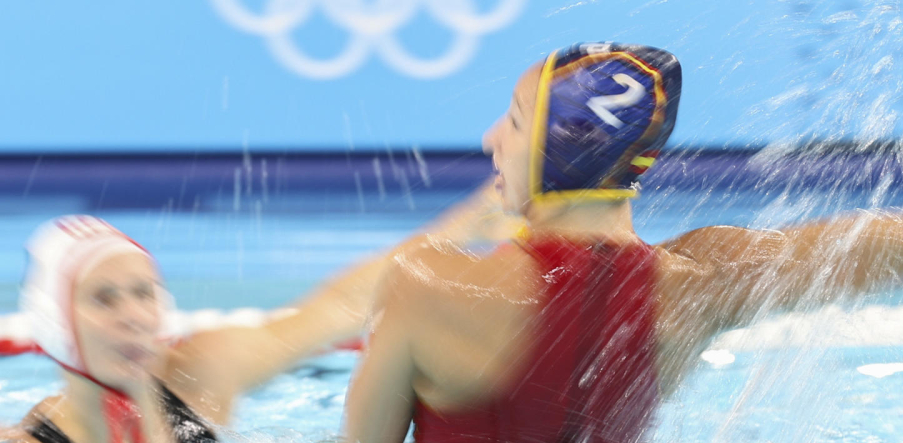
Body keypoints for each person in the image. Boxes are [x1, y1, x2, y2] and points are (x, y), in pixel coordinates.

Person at [342, 0, 903, 442]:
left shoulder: (425, 287)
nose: (490, 139)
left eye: (512, 120)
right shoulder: (705, 281)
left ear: (557, 148)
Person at [3, 183, 518, 443]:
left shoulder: (200, 375)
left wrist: (467, 220)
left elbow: (339, 307)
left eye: (145, 293)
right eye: (104, 299)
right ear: (55, 323)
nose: (134, 315)